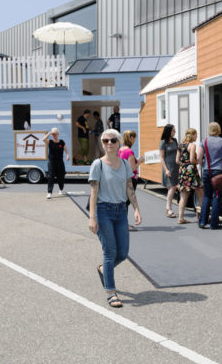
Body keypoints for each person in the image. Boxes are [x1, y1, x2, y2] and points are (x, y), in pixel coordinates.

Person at [88, 129, 141, 308]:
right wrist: (92, 217)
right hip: (103, 211)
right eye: (105, 141)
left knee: (123, 253)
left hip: (120, 212)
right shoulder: (98, 164)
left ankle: (104, 269)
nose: (109, 143)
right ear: (102, 144)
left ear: (118, 143)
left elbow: (129, 188)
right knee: (109, 252)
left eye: (112, 140)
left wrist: (136, 209)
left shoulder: (125, 164)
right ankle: (111, 292)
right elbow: (93, 192)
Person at [198, 122, 222, 230]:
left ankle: (202, 222)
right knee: (217, 196)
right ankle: (214, 223)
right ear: (218, 129)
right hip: (219, 172)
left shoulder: (204, 141)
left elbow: (199, 157)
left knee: (207, 196)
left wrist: (202, 165)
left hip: (207, 171)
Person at [118, 130, 145, 231]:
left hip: (122, 177)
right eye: (134, 138)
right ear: (131, 138)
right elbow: (132, 168)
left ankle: (122, 223)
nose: (135, 140)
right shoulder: (129, 151)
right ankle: (124, 224)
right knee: (127, 201)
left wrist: (136, 160)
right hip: (130, 179)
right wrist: (140, 162)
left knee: (124, 201)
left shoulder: (121, 149)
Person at [175, 128, 203, 225]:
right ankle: (201, 216)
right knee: (200, 193)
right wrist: (198, 161)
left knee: (183, 195)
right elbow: (192, 159)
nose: (197, 137)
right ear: (192, 135)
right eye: (196, 135)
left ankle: (181, 218)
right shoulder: (192, 145)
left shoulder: (180, 145)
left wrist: (184, 164)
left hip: (183, 171)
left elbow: (177, 160)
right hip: (191, 171)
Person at [42, 128, 69, 199]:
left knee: (61, 176)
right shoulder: (50, 141)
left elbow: (66, 149)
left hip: (60, 161)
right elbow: (43, 139)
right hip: (52, 161)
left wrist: (68, 155)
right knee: (51, 176)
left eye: (55, 134)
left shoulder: (61, 142)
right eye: (53, 134)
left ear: (58, 134)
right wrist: (49, 133)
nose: (54, 135)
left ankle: (61, 189)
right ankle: (49, 192)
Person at [158, 124, 179, 218]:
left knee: (174, 187)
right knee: (172, 187)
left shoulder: (175, 140)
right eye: (173, 130)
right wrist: (166, 170)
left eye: (175, 130)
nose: (175, 132)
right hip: (168, 167)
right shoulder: (163, 142)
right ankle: (168, 208)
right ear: (168, 131)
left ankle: (169, 207)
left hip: (176, 167)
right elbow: (161, 158)